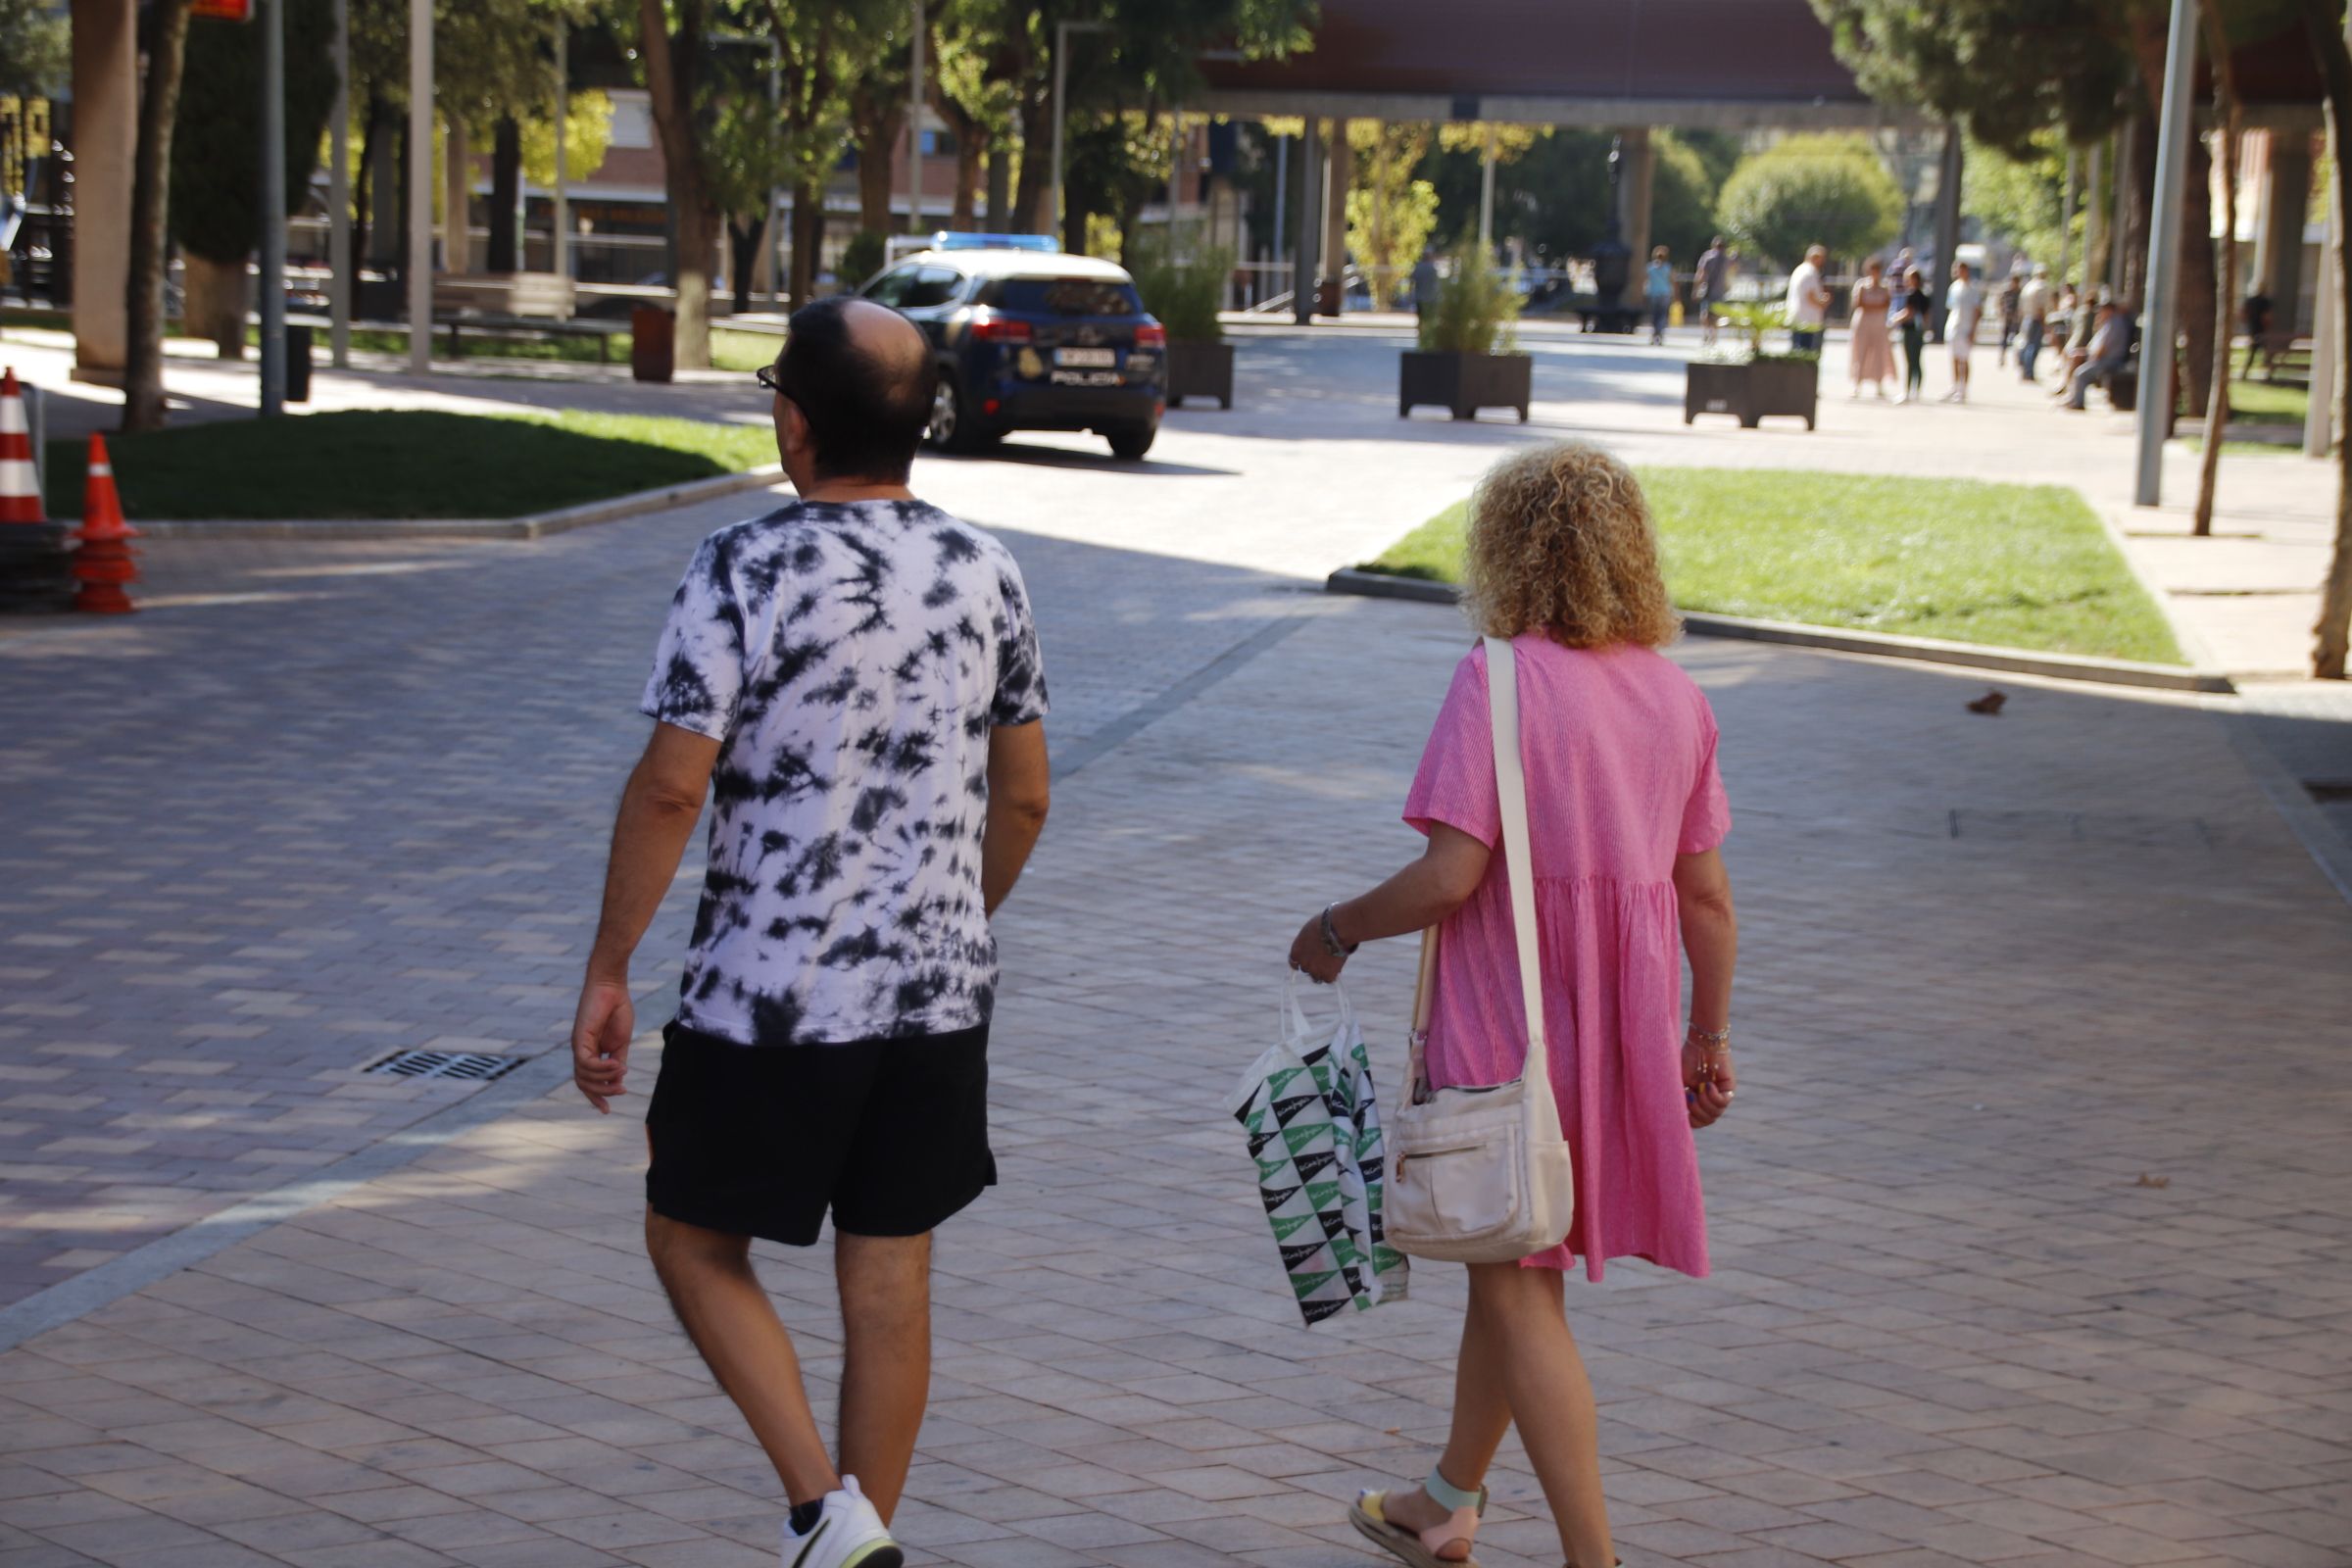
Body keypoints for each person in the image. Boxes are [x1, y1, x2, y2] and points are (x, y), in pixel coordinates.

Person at [570, 296, 1053, 1568]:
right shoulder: (984, 569)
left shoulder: (741, 569)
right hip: (937, 999)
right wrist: (955, 916)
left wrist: (611, 966)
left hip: (768, 998)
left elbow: (673, 786)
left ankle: (822, 1514)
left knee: (689, 1235)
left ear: (792, 421)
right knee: (889, 1281)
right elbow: (1028, 794)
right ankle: (861, 1535)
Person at [1290, 440, 1739, 1568]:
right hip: (1624, 1027)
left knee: (1520, 1286)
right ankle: (1444, 1503)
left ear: (1509, 551)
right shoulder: (1680, 699)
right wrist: (1707, 1033)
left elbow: (1451, 875)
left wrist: (1336, 927)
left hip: (1507, 1022)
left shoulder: (1496, 679)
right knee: (1515, 1257)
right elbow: (1709, 900)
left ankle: (1596, 1558)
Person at [2063, 298, 2133, 410]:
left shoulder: (2115, 324)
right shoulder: (2108, 322)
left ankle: (2077, 402)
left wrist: (2089, 359)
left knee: (2080, 373)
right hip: (2102, 357)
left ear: (2109, 310)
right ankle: (2070, 395)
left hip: (2110, 360)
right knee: (2075, 357)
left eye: (2102, 310)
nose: (2099, 313)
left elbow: (2102, 349)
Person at [1846, 256, 1895, 399]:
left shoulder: (1885, 287)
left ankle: (1879, 383)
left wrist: (1873, 307)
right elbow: (1859, 304)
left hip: (1879, 323)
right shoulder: (1861, 285)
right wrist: (1875, 306)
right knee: (1860, 352)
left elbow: (1886, 304)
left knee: (1879, 353)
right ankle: (1857, 384)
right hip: (1863, 323)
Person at [1942, 261, 1983, 403]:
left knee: (1964, 359)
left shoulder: (1973, 289)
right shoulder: (1953, 288)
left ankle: (1963, 389)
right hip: (1954, 326)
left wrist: (1973, 330)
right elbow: (1951, 308)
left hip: (1966, 327)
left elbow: (1977, 311)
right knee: (1954, 357)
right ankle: (1955, 386)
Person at [1890, 265, 1931, 404]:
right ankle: (1916, 391)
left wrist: (1894, 319)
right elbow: (1927, 317)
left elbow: (1908, 312)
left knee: (1910, 362)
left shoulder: (1911, 295)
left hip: (1910, 331)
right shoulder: (1925, 295)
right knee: (1917, 361)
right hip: (1919, 332)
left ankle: (1907, 391)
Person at [1786, 244, 1832, 355]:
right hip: (1807, 321)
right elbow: (1810, 295)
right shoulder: (1809, 272)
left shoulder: (1800, 270)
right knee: (1805, 354)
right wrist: (1823, 303)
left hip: (1799, 317)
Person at [1693, 234, 1731, 347]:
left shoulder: (1707, 257)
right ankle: (1714, 335)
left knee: (1704, 314)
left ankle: (1706, 333)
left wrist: (1695, 289)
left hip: (1707, 290)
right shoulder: (1727, 260)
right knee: (1716, 315)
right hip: (1720, 291)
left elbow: (1700, 274)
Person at [2018, 264, 2052, 382]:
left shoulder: (2028, 286)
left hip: (2027, 318)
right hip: (2036, 319)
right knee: (2033, 347)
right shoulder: (2041, 287)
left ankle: (2025, 370)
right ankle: (2029, 372)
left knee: (2027, 344)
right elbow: (2040, 308)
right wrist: (2044, 324)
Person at [1643, 245, 1674, 346]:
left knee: (1654, 316)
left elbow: (1646, 280)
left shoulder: (1650, 268)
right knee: (1663, 315)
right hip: (1665, 293)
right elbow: (1672, 281)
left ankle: (1653, 335)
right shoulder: (1668, 268)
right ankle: (1660, 335)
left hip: (1653, 294)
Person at [1996, 267, 2025, 367]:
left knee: (2017, 341)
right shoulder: (2006, 292)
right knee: (2004, 340)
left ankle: (2017, 359)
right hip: (2007, 318)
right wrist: (2001, 313)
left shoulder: (2021, 292)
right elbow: (2000, 302)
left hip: (2016, 319)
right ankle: (2002, 358)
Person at [1411, 245, 1442, 320]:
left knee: (1422, 318)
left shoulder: (1419, 267)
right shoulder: (1433, 268)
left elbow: (1412, 279)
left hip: (1422, 298)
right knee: (1429, 318)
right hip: (1430, 298)